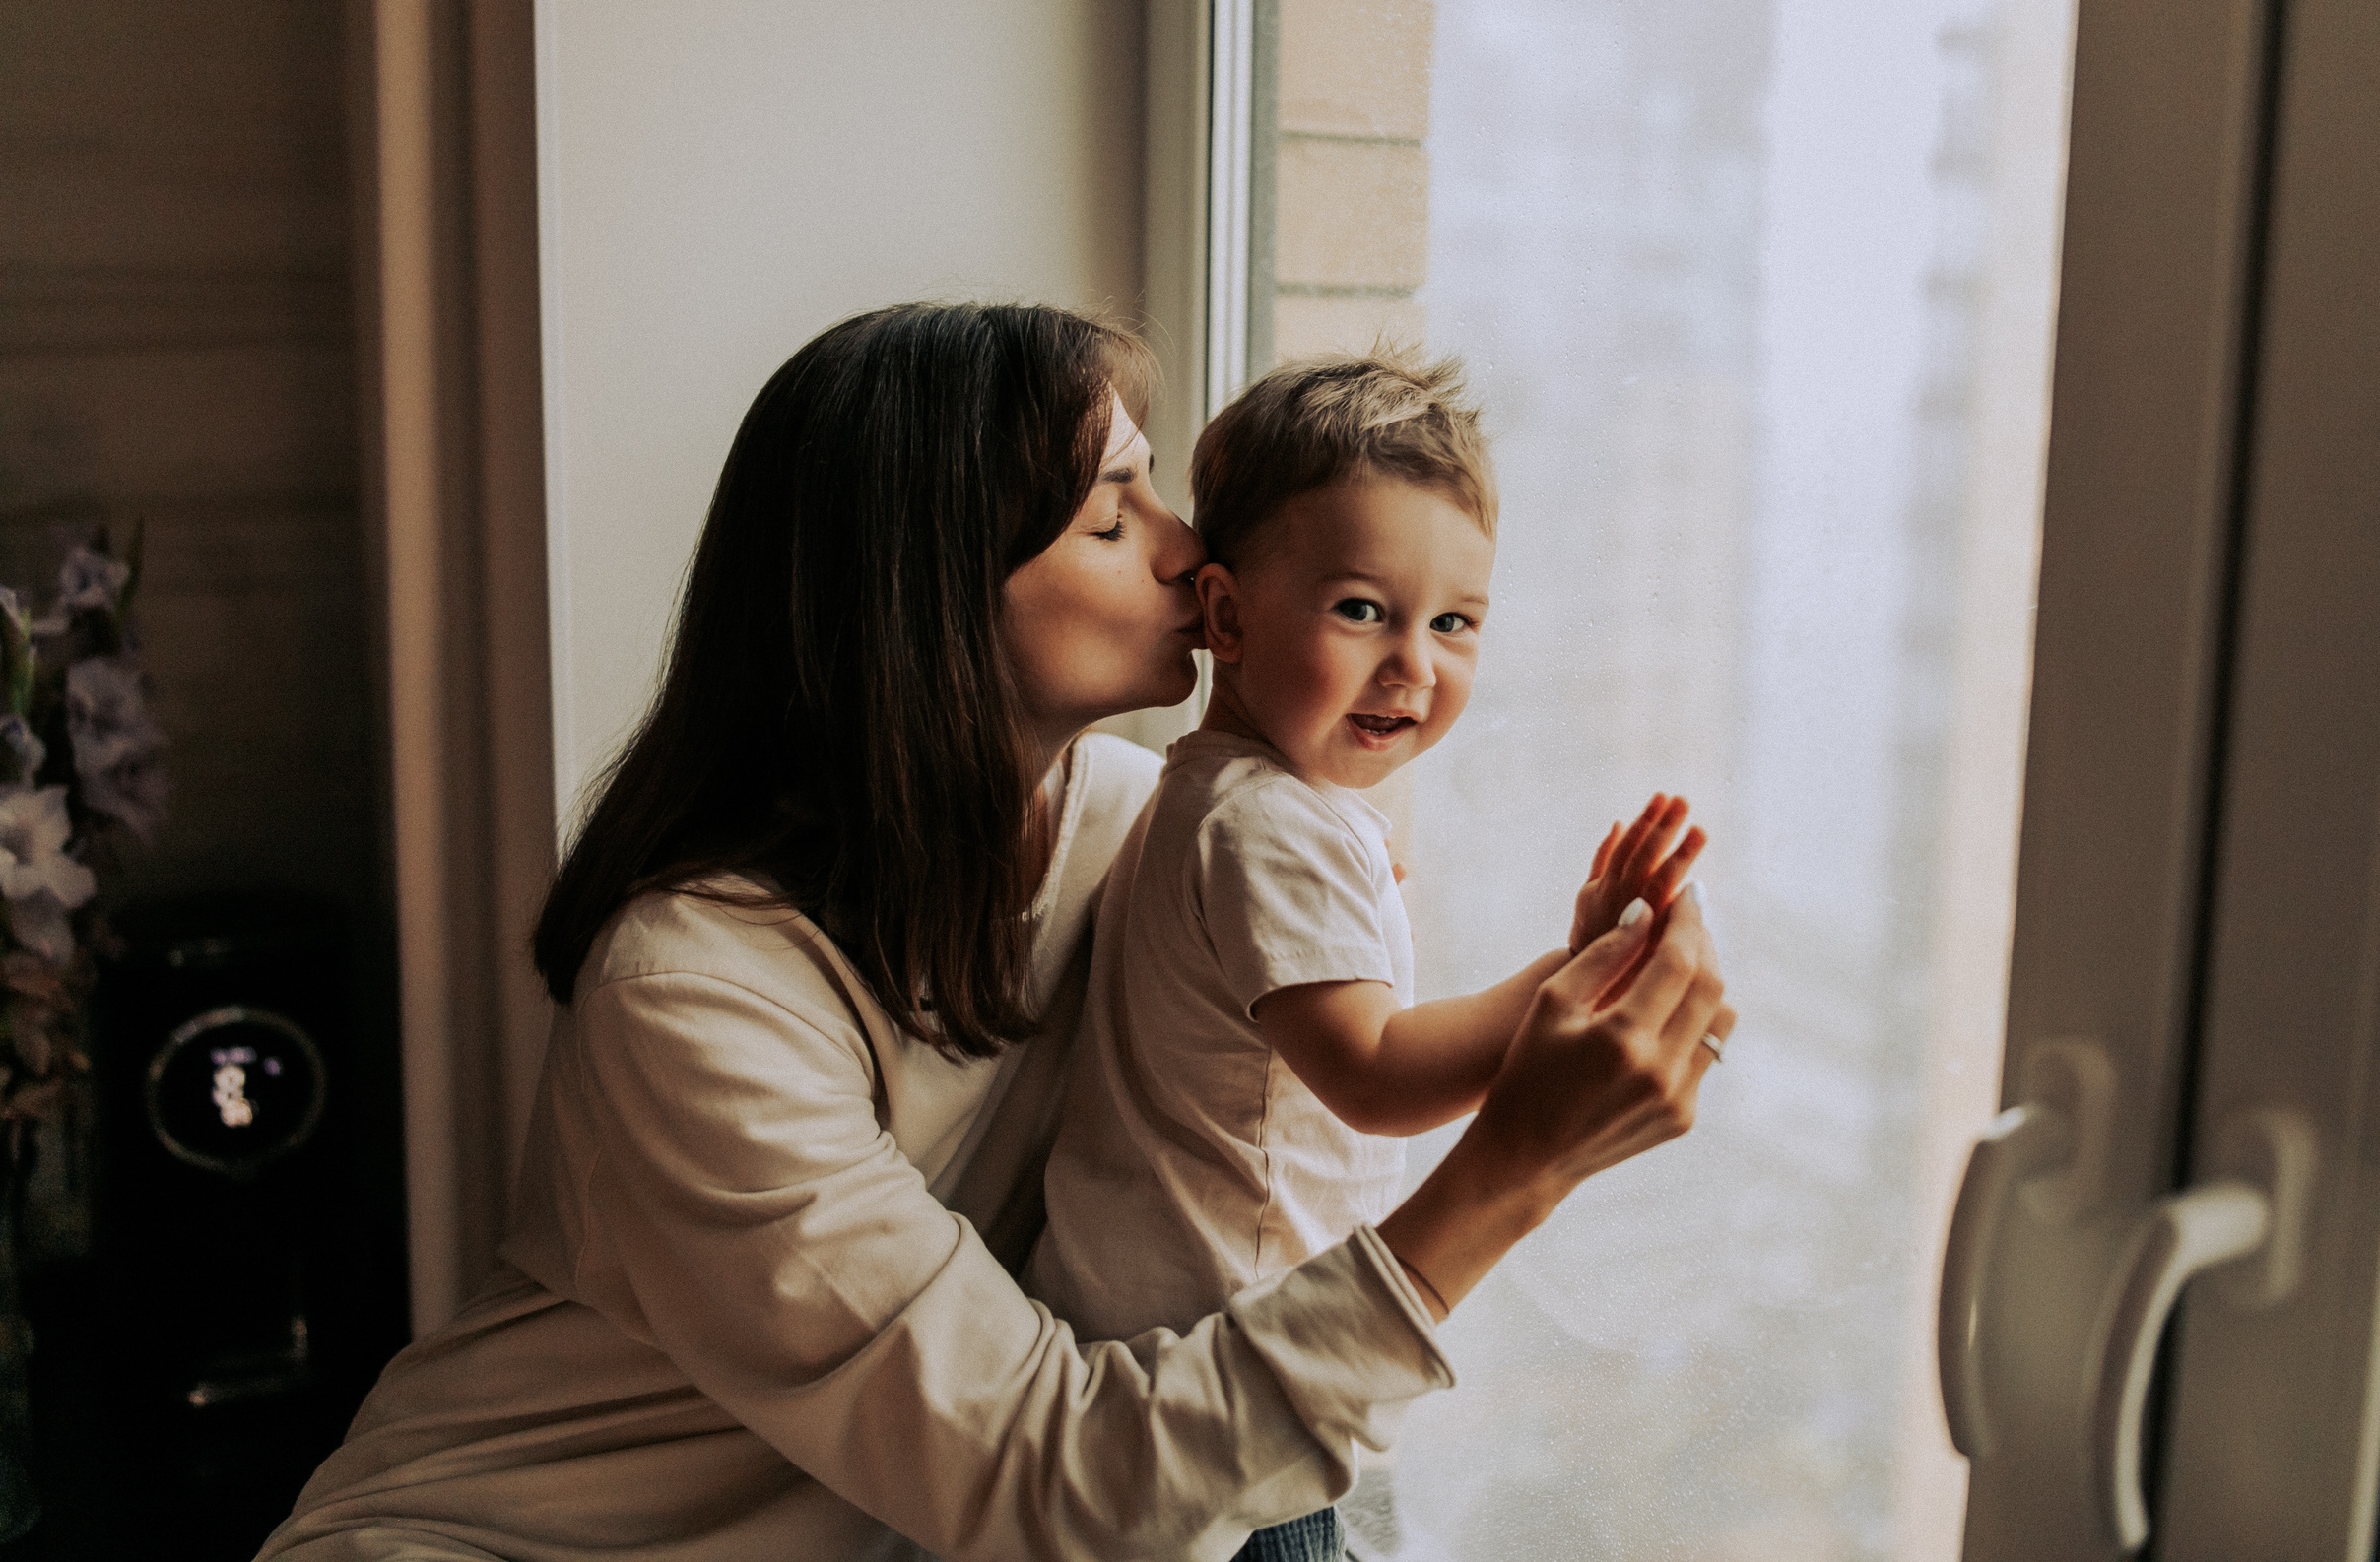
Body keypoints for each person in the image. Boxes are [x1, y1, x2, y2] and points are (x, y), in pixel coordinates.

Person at [257, 302, 1736, 1562]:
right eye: (1113, 513)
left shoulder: (1147, 824)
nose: (1186, 547)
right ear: (931, 603)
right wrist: (1514, 1166)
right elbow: (1053, 1475)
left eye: (1156, 490)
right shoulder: (698, 997)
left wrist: (1578, 965)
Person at [1025, 353, 1717, 1562]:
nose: (1414, 664)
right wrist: (1569, 979)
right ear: (1230, 618)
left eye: (1454, 623)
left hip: (1156, 1346)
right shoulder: (1271, 825)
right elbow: (1378, 1077)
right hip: (1234, 1393)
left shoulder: (1212, 797)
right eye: (1362, 610)